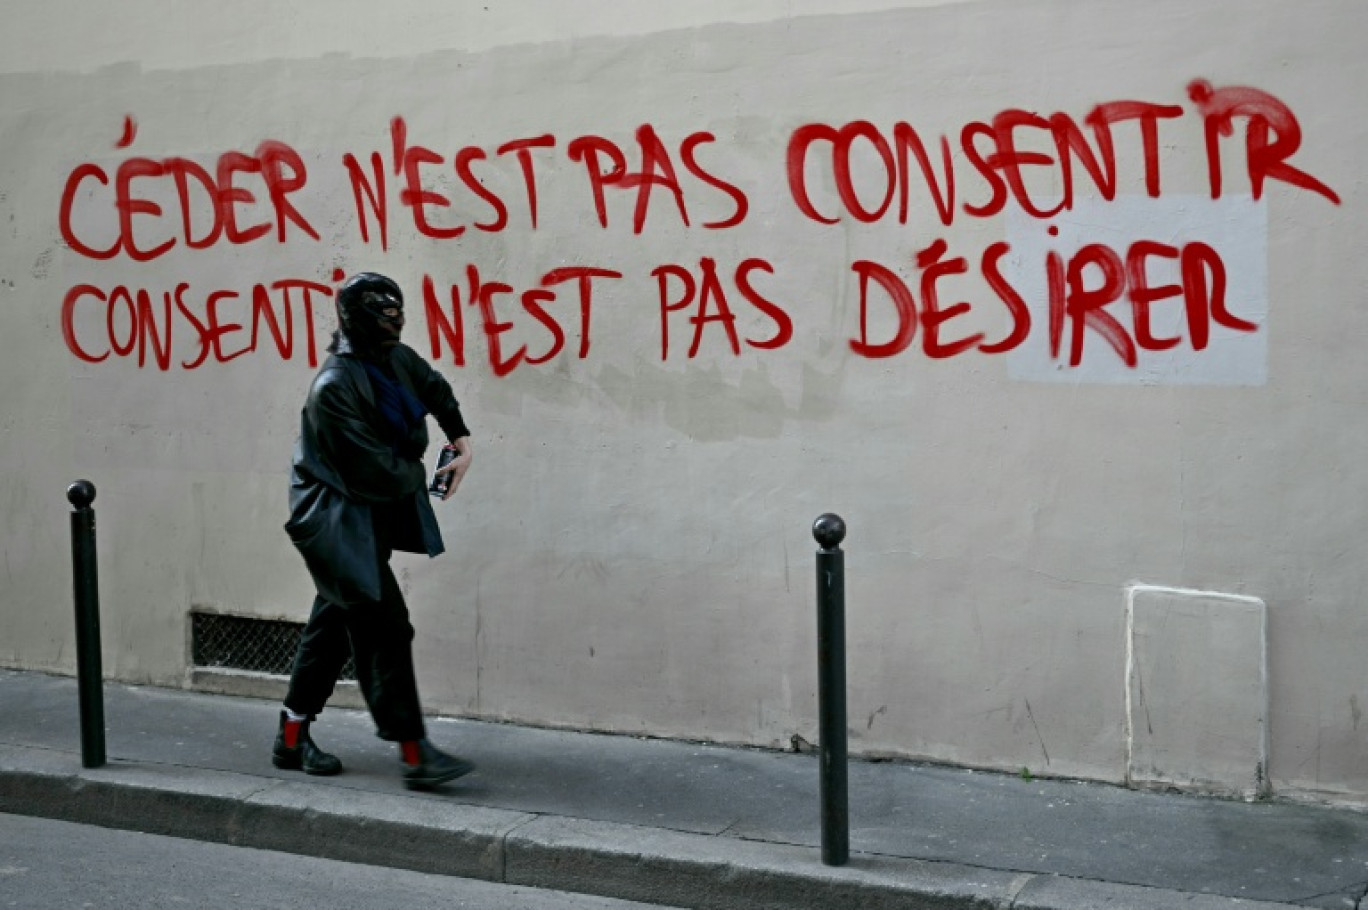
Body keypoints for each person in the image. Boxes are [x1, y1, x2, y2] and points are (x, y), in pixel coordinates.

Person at [273, 271, 475, 790]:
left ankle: (291, 739)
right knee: (386, 626)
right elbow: (375, 471)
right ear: (358, 320)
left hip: (368, 515)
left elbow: (433, 385)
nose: (395, 325)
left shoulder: (393, 361)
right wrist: (423, 464)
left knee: (333, 624)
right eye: (384, 317)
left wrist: (460, 440)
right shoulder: (335, 385)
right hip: (337, 523)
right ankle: (415, 753)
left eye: (397, 315)